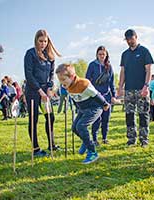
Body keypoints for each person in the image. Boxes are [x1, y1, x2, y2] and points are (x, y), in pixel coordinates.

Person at [56, 63, 110, 164]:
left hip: (95, 107)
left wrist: (105, 104)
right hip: (83, 109)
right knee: (74, 128)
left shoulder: (83, 84)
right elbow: (75, 99)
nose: (62, 83)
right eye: (60, 80)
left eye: (63, 80)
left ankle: (92, 152)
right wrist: (78, 110)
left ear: (72, 77)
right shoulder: (67, 86)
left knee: (81, 126)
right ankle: (86, 142)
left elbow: (96, 94)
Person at [24, 29, 61, 157]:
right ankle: (36, 149)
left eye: (45, 41)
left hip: (46, 92)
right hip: (33, 92)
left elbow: (51, 74)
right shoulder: (30, 54)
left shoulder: (50, 56)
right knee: (33, 119)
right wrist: (40, 91)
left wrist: (50, 88)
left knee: (50, 117)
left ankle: (52, 144)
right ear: (36, 40)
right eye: (40, 41)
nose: (43, 44)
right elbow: (29, 75)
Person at [118, 29, 154, 147]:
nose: (129, 41)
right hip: (129, 89)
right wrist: (120, 86)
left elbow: (149, 70)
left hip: (142, 88)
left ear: (136, 37)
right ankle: (131, 139)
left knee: (143, 114)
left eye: (131, 38)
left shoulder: (144, 51)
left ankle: (144, 139)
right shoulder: (125, 54)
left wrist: (146, 86)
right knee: (129, 115)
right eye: (127, 39)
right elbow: (122, 71)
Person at [86, 46, 117, 145]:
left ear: (106, 55)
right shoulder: (92, 65)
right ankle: (94, 139)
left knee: (106, 118)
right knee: (96, 118)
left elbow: (111, 82)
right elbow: (87, 80)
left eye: (103, 54)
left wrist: (113, 95)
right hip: (95, 96)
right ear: (97, 55)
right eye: (100, 54)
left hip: (106, 95)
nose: (102, 56)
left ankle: (104, 138)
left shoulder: (109, 66)